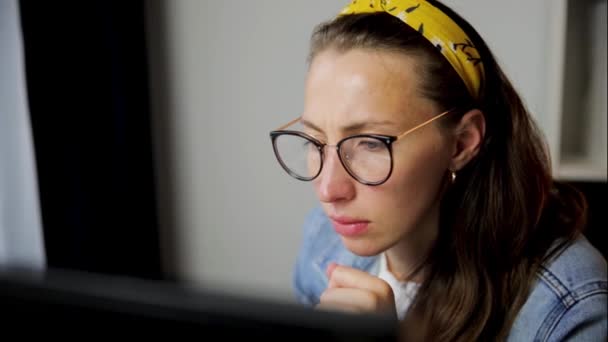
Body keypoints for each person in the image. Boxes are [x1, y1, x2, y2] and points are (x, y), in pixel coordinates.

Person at [269, 0, 607, 340]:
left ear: (461, 143)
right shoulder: (322, 242)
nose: (328, 189)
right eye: (313, 141)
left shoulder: (570, 305)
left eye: (370, 143)